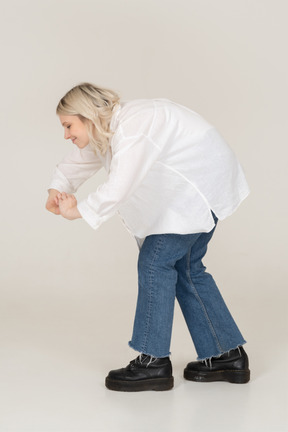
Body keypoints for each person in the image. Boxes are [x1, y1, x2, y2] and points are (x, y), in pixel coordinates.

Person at [46, 82, 251, 392]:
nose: (66, 134)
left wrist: (79, 210)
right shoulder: (114, 129)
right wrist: (58, 188)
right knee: (187, 270)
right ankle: (227, 355)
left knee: (155, 263)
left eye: (68, 125)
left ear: (87, 116)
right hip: (201, 189)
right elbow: (82, 158)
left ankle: (153, 363)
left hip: (198, 191)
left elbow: (120, 186)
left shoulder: (135, 125)